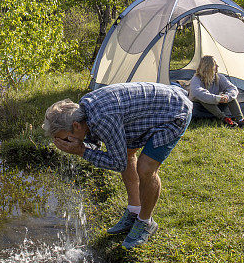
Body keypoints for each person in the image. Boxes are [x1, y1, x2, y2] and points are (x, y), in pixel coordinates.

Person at [43, 82, 192, 249]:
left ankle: (145, 222)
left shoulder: (102, 119)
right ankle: (134, 210)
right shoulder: (84, 111)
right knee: (128, 154)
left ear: (76, 126)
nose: (65, 143)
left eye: (65, 138)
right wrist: (83, 148)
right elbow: (100, 145)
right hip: (152, 111)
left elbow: (117, 163)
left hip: (173, 112)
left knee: (145, 168)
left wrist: (81, 152)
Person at [189, 55, 244, 129]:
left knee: (231, 97)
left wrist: (227, 97)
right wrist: (217, 98)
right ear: (209, 67)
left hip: (215, 102)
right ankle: (224, 119)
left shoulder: (218, 77)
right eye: (215, 64)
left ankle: (241, 120)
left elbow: (232, 88)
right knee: (203, 98)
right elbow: (198, 93)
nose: (217, 66)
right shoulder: (196, 79)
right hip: (200, 105)